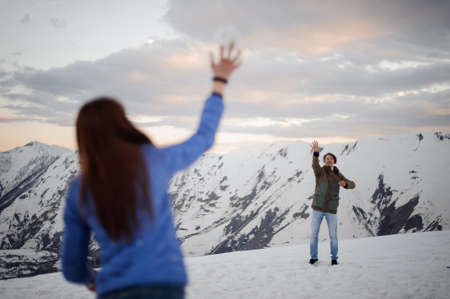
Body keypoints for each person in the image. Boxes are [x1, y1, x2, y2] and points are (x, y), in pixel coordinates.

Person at [61, 43, 242, 298]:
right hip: (165, 287)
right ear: (123, 124)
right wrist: (219, 80)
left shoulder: (80, 190)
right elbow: (204, 137)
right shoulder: (152, 161)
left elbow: (71, 268)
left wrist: (93, 279)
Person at [309, 140, 355, 266]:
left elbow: (352, 184)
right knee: (313, 235)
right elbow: (314, 165)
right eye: (327, 158)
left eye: (331, 158)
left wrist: (345, 184)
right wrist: (316, 153)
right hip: (317, 208)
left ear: (334, 161)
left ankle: (334, 258)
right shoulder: (320, 172)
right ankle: (313, 257)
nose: (329, 160)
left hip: (331, 210)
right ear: (324, 161)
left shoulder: (338, 175)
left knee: (333, 236)